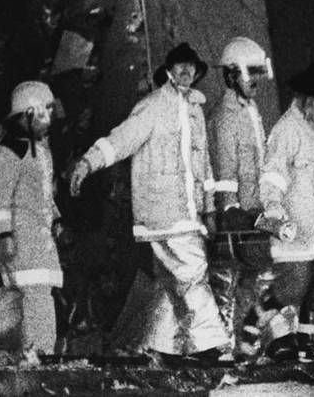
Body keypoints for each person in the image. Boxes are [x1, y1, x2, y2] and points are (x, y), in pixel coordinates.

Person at [68, 42, 228, 362]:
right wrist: (89, 162)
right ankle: (208, 345)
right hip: (165, 210)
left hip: (188, 212)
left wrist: (210, 208)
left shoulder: (195, 113)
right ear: (168, 72)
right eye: (179, 66)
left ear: (196, 74)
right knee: (193, 273)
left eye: (190, 67)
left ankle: (165, 346)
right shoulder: (154, 106)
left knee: (172, 283)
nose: (185, 72)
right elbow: (123, 137)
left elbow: (204, 168)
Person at [257, 62, 314, 362]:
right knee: (294, 285)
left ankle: (308, 342)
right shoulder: (287, 129)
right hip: (293, 226)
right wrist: (273, 208)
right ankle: (270, 332)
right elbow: (273, 173)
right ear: (309, 97)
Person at [0, 81, 66, 360]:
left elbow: (41, 192)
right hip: (22, 236)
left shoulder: (39, 150)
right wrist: (2, 235)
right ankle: (39, 355)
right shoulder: (8, 152)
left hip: (38, 235)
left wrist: (56, 220)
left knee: (28, 296)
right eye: (45, 112)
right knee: (37, 295)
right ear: (28, 114)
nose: (50, 119)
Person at [206, 36, 274, 359]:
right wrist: (228, 212)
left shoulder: (251, 112)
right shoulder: (226, 116)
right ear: (232, 76)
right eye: (251, 73)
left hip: (254, 218)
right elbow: (224, 172)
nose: (257, 80)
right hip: (236, 220)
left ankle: (247, 352)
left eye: (260, 72)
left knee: (256, 286)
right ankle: (225, 356)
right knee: (226, 289)